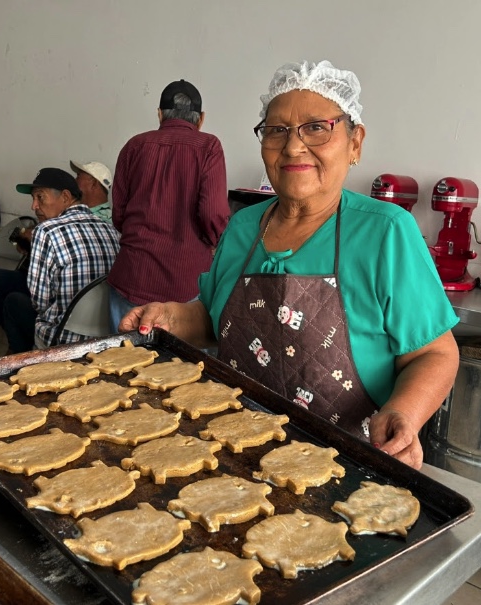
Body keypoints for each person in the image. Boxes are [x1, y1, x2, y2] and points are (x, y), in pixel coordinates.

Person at [119, 60, 460, 470]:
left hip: (346, 463)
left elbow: (436, 354)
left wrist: (405, 413)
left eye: (317, 127)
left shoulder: (385, 232)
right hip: (233, 452)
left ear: (355, 143)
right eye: (276, 130)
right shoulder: (244, 226)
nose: (293, 146)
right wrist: (169, 317)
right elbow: (210, 319)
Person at [107, 79, 230, 331]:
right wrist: (215, 243)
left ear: (159, 114)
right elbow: (212, 214)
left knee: (121, 363)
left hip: (132, 275)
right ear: (201, 118)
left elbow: (118, 216)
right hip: (185, 283)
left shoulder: (134, 145)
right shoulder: (208, 147)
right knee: (181, 368)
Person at [0, 167, 119, 352]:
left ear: (65, 197)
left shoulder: (46, 230)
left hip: (62, 339)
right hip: (105, 338)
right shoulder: (111, 229)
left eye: (40, 197)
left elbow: (40, 302)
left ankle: (19, 366)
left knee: (13, 301)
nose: (34, 206)